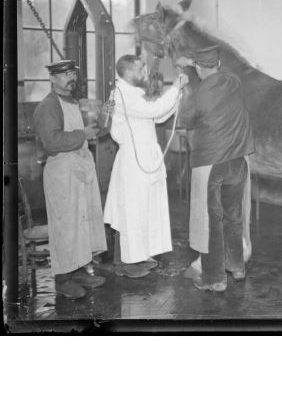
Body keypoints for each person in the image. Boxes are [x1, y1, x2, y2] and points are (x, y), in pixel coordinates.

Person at [103, 54, 188, 278]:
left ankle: (140, 256)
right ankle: (127, 263)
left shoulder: (135, 93)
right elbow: (153, 111)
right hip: (133, 159)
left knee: (145, 209)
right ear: (129, 72)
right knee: (131, 211)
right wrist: (174, 87)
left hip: (146, 156)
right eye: (140, 69)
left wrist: (176, 94)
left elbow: (158, 117)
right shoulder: (120, 94)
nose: (144, 73)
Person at [179, 45, 255, 293]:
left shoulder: (198, 92)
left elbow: (187, 120)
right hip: (239, 162)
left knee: (210, 220)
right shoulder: (234, 83)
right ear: (219, 65)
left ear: (199, 68)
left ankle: (213, 278)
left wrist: (183, 85)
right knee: (234, 216)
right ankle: (237, 266)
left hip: (211, 163)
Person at [33, 60, 107, 299]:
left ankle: (77, 271)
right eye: (64, 74)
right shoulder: (48, 106)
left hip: (77, 169)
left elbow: (76, 135)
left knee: (79, 224)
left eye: (72, 73)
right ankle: (63, 279)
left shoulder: (71, 102)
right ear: (53, 79)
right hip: (61, 173)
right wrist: (82, 134)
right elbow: (52, 142)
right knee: (65, 226)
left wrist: (94, 129)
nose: (70, 77)